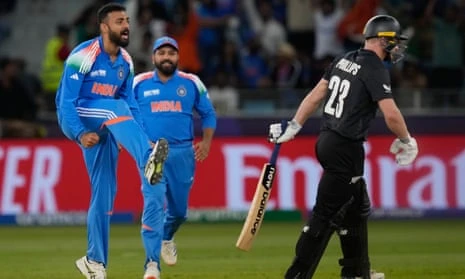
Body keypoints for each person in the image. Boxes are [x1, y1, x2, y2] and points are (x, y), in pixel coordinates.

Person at [269, 15, 419, 279]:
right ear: (382, 40)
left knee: (357, 207)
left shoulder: (344, 58)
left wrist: (295, 125)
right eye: (394, 42)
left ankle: (357, 271)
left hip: (327, 141)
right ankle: (296, 275)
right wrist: (407, 140)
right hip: (345, 148)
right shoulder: (375, 68)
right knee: (323, 217)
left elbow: (316, 94)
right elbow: (391, 114)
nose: (397, 48)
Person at [55, 3, 169, 279]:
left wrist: (136, 135)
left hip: (106, 127)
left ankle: (94, 262)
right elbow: (66, 102)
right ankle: (147, 161)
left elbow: (131, 104)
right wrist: (80, 133)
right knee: (112, 107)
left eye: (127, 20)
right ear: (104, 27)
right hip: (77, 116)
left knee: (104, 194)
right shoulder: (84, 54)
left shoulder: (126, 63)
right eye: (119, 21)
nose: (126, 26)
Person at [132, 36, 216, 279]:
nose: (166, 57)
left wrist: (207, 141)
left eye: (171, 53)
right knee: (153, 204)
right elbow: (126, 112)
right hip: (151, 153)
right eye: (162, 53)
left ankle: (167, 237)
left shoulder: (191, 83)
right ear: (153, 57)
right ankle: (151, 265)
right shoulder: (139, 83)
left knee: (179, 212)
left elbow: (208, 113)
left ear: (178, 57)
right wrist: (135, 140)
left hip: (182, 153)